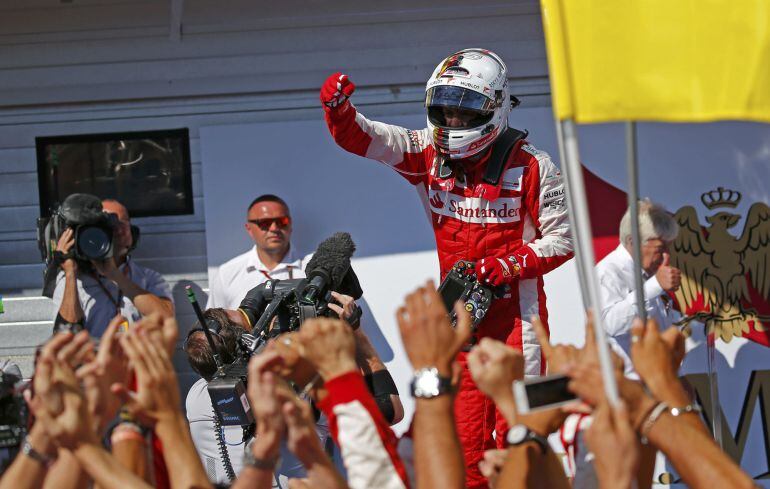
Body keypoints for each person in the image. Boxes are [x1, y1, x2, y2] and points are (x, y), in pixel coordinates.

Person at [320, 48, 573, 487]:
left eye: (465, 110)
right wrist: (339, 112)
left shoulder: (534, 165)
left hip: (518, 319)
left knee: (519, 432)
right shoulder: (425, 152)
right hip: (457, 318)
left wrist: (508, 264)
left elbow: (563, 238)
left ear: (495, 106)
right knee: (462, 434)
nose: (453, 121)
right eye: (444, 109)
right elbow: (365, 139)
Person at [52, 198, 174, 337]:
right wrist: (70, 273)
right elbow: (65, 336)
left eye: (122, 223)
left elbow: (168, 319)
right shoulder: (72, 280)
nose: (117, 229)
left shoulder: (149, 278)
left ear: (132, 232)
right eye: (108, 224)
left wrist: (116, 275)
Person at [596, 199, 681, 375]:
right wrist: (654, 286)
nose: (666, 255)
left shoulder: (648, 275)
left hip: (656, 382)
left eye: (668, 247)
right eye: (660, 248)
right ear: (632, 240)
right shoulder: (608, 272)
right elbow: (609, 324)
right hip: (629, 389)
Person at [207, 195, 311, 310]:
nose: (274, 228)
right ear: (249, 229)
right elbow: (214, 322)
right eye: (265, 223)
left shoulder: (311, 268)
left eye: (282, 221)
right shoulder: (226, 274)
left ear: (290, 224)